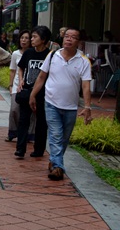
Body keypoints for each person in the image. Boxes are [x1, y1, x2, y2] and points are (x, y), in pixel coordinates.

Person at [29, 28, 93, 180]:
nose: (69, 39)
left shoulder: (83, 61)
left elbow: (86, 86)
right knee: (55, 135)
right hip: (51, 103)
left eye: (73, 37)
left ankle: (54, 161)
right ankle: (58, 168)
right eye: (66, 36)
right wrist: (33, 95)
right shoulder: (52, 55)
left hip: (71, 106)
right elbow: (41, 77)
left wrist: (87, 107)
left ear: (78, 42)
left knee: (63, 138)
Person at [15, 26, 52, 159]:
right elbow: (21, 67)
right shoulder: (29, 52)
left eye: (35, 37)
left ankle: (39, 149)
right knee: (23, 120)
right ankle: (20, 149)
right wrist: (21, 80)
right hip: (27, 91)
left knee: (41, 122)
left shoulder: (50, 55)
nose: (32, 39)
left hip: (43, 94)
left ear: (43, 39)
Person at [6, 29, 33, 143]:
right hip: (17, 85)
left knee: (31, 111)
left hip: (31, 86)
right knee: (14, 109)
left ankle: (29, 134)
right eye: (22, 38)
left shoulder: (33, 53)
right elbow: (13, 70)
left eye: (26, 38)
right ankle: (13, 132)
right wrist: (11, 85)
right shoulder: (15, 54)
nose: (24, 40)